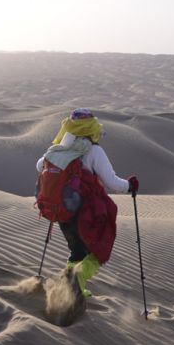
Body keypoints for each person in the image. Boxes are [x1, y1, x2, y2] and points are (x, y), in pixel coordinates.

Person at [36, 108, 138, 297]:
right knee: (99, 249)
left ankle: (73, 289)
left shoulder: (59, 146)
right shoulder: (94, 150)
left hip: (61, 210)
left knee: (76, 249)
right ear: (91, 128)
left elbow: (40, 165)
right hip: (85, 212)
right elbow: (112, 182)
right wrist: (130, 186)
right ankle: (78, 280)